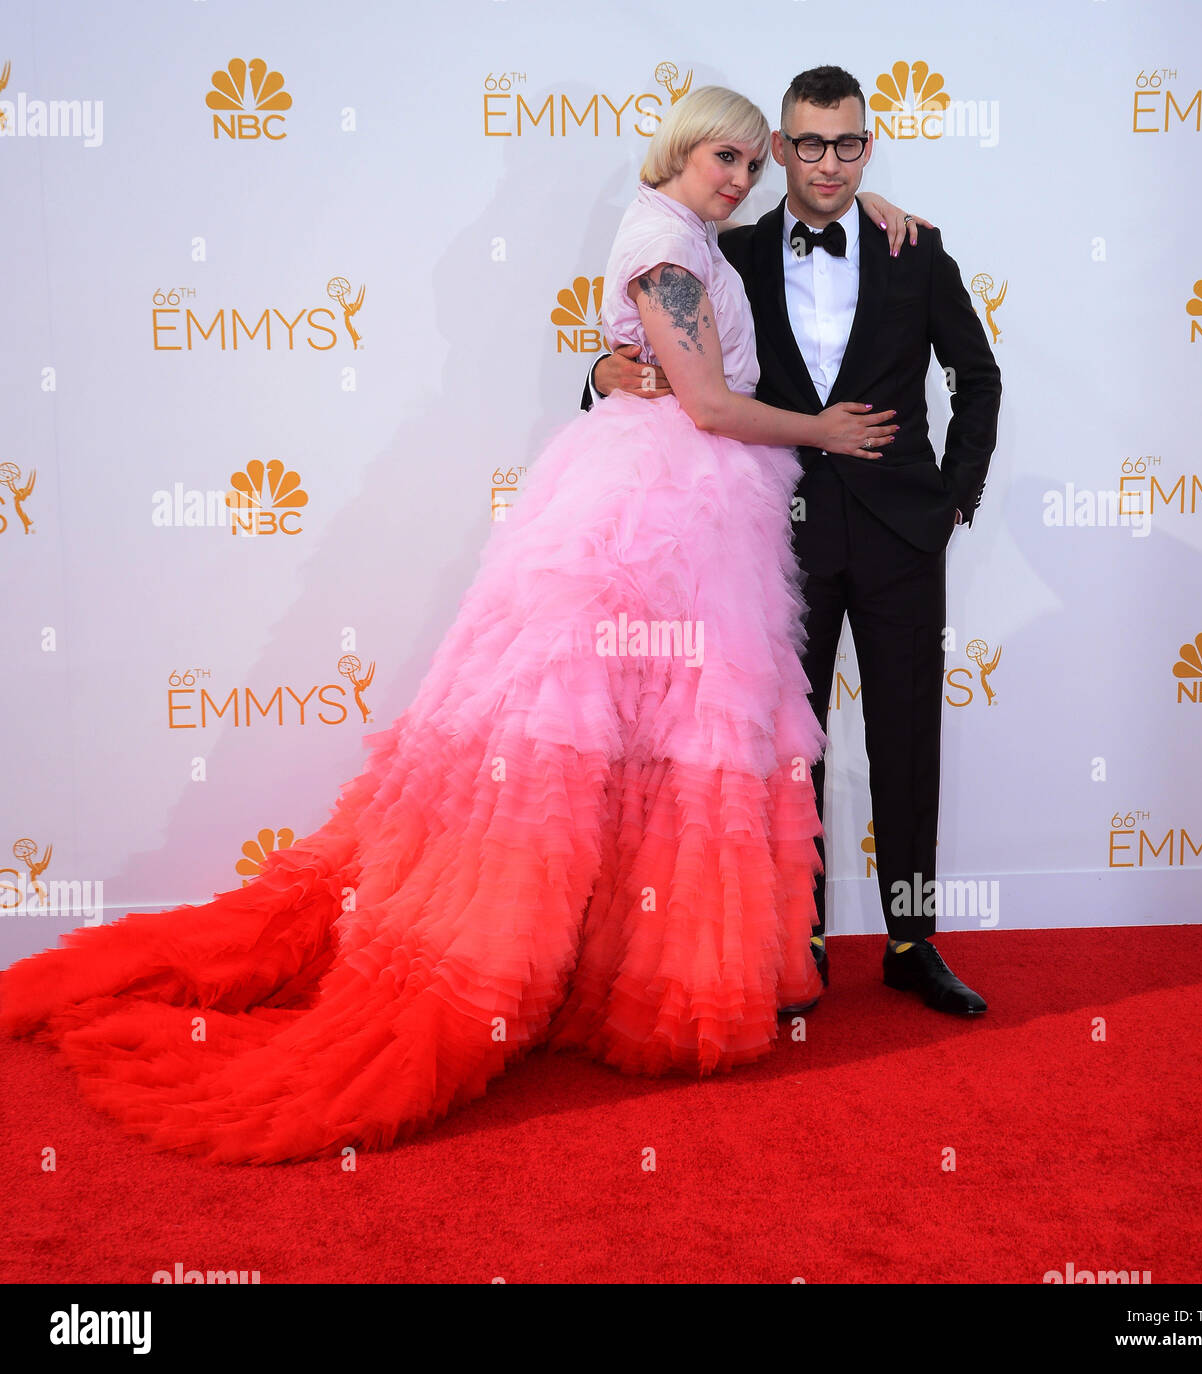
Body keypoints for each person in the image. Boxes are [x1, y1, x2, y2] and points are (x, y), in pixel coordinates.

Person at [0, 86, 903, 1165]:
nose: (740, 179)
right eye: (727, 156)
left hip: (686, 503)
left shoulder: (685, 237)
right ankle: (592, 978)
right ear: (679, 147)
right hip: (661, 507)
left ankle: (631, 976)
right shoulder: (662, 243)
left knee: (655, 745)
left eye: (756, 164)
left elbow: (720, 330)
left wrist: (877, 205)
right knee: (611, 741)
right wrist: (823, 432)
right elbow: (707, 405)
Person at [583, 65, 1001, 1015]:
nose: (828, 162)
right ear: (781, 148)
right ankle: (794, 942)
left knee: (907, 738)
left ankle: (910, 939)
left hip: (903, 534)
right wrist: (602, 372)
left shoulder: (916, 253)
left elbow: (979, 379)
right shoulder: (729, 252)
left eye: (848, 144)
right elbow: (662, 351)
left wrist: (953, 502)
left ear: (868, 145)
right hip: (780, 537)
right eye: (807, 143)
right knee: (784, 748)